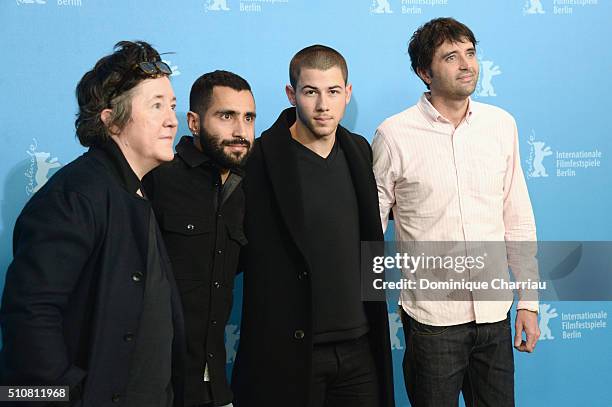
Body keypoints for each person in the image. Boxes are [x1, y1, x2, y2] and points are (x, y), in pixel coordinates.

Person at [0, 41, 185, 407]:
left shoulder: (136, 192)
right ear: (111, 118)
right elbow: (30, 315)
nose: (172, 120)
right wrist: (71, 396)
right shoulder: (75, 195)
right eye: (157, 106)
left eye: (173, 106)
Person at [372, 17, 540, 407]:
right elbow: (372, 225)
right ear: (424, 72)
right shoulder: (393, 134)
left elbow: (517, 216)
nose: (467, 64)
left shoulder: (501, 125)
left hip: (495, 314)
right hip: (432, 320)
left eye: (470, 53)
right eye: (451, 56)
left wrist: (528, 301)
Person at [232, 45, 395, 407]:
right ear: (292, 95)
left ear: (347, 94)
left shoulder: (360, 151)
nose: (323, 105)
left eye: (333, 92)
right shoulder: (258, 159)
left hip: (360, 348)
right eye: (311, 92)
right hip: (289, 353)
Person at [144, 70, 255, 407]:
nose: (240, 131)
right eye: (226, 116)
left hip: (213, 383)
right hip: (155, 384)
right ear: (193, 122)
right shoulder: (157, 179)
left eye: (248, 118)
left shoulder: (243, 188)